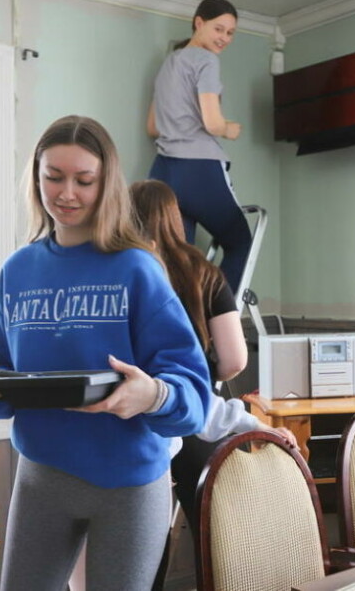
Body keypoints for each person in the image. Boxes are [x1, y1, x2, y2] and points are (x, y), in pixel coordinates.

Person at [0, 116, 210, 591]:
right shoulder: (17, 270)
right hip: (42, 478)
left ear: (107, 184)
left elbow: (193, 396)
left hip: (130, 485)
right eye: (53, 176)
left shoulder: (138, 269)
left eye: (84, 180)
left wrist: (154, 394)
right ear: (36, 178)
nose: (67, 193)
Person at [68, 180, 293, 591]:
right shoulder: (202, 273)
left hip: (133, 423)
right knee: (210, 537)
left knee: (134, 545)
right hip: (180, 419)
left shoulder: (119, 277)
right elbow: (233, 361)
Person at [147, 0, 252, 295]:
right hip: (199, 170)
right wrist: (229, 129)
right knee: (241, 242)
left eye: (230, 33)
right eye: (219, 29)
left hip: (164, 172)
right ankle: (219, 323)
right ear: (199, 23)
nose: (224, 38)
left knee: (177, 260)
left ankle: (186, 330)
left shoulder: (168, 64)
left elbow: (152, 127)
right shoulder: (206, 61)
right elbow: (212, 123)